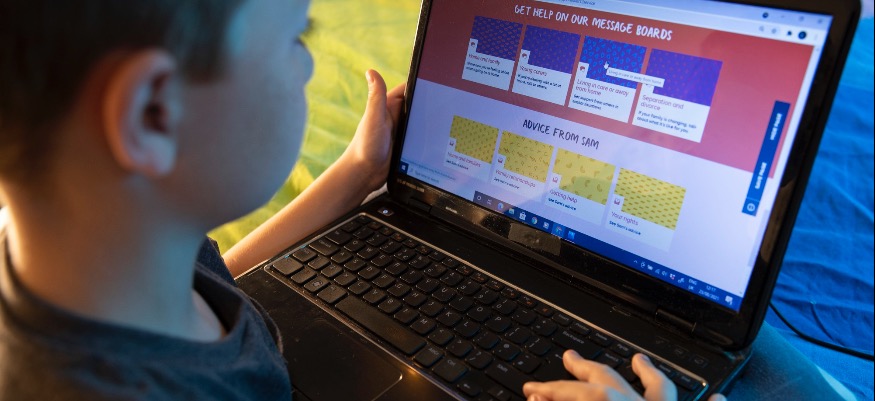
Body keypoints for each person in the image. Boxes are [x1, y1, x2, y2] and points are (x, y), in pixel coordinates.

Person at [3, 0, 841, 400]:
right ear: (152, 113)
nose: (306, 61)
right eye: (296, 36)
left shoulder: (102, 249)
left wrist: (354, 175)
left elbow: (224, 283)